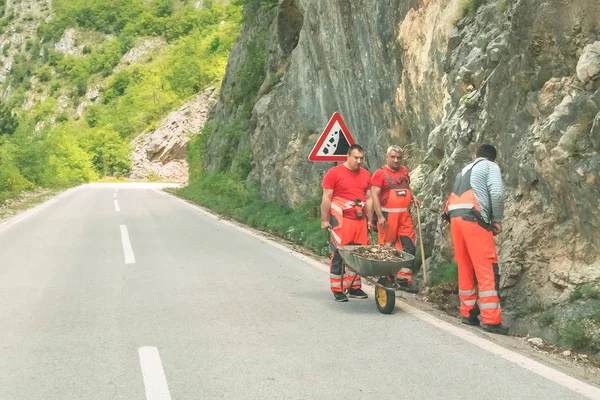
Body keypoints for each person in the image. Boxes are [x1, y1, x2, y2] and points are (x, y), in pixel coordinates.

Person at [443, 144, 509, 335]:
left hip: (455, 218)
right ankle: (491, 320)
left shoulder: (464, 169)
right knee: (486, 266)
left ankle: (468, 312)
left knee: (465, 266)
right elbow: (496, 193)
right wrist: (497, 220)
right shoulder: (490, 167)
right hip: (474, 218)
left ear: (475, 155)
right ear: (493, 158)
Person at [321, 144, 372, 302]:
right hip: (341, 219)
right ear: (348, 156)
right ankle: (337, 288)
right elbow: (326, 198)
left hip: (359, 219)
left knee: (358, 253)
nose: (359, 161)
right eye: (356, 158)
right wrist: (325, 220)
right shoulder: (334, 174)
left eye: (361, 158)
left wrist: (370, 220)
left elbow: (369, 198)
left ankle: (354, 287)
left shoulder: (365, 174)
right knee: (339, 253)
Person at [369, 145, 421, 293]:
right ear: (387, 157)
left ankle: (404, 280)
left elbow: (407, 187)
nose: (396, 160)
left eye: (399, 157)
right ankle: (386, 278)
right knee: (386, 248)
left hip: (404, 216)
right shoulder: (379, 174)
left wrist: (414, 197)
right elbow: (374, 196)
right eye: (393, 157)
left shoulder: (404, 171)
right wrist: (379, 216)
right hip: (387, 217)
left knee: (408, 246)